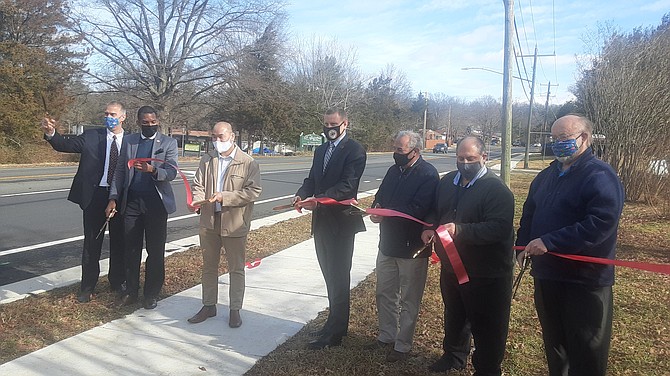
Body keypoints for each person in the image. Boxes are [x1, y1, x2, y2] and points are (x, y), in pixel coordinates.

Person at [515, 114, 624, 376]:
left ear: (583, 137)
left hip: (585, 280)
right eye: (553, 139)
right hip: (548, 275)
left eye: (563, 138)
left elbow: (601, 223)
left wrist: (551, 241)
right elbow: (529, 214)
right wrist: (521, 245)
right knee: (555, 343)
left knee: (586, 348)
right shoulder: (546, 175)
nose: (557, 144)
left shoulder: (600, 175)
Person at [421, 136, 515, 375]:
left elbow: (499, 228)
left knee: (487, 323)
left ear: (484, 157)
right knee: (455, 313)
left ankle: (487, 367)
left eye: (471, 159)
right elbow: (436, 209)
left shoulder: (496, 190)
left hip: (487, 270)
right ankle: (453, 355)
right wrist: (431, 227)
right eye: (460, 158)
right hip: (452, 265)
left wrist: (460, 230)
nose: (465, 163)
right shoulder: (446, 183)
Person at [294, 108, 367, 349]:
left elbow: (347, 185)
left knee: (339, 276)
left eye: (333, 123)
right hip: (321, 222)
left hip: (342, 223)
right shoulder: (321, 150)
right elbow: (312, 179)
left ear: (345, 124)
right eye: (325, 124)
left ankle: (335, 333)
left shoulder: (355, 150)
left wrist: (320, 199)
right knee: (328, 274)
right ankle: (334, 323)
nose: (329, 128)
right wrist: (302, 193)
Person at [41, 101, 127, 303]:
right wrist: (51, 133)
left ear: (123, 117)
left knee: (120, 242)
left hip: (121, 197)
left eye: (112, 113)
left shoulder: (131, 141)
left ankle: (118, 281)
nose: (108, 116)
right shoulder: (91, 136)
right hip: (95, 196)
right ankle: (87, 287)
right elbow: (64, 144)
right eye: (106, 113)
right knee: (91, 243)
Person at [368, 130, 439, 362]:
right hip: (387, 243)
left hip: (412, 247)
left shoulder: (428, 174)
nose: (395, 153)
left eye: (400, 150)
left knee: (410, 299)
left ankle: (403, 344)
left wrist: (389, 211)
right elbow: (380, 196)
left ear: (415, 152)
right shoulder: (393, 171)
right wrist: (376, 209)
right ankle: (387, 335)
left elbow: (419, 208)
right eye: (395, 148)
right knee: (384, 293)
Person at [186, 121, 261, 328]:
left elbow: (253, 191)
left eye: (221, 136)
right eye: (214, 137)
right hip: (209, 221)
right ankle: (209, 305)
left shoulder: (247, 163)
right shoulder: (208, 159)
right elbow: (198, 184)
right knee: (209, 266)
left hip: (235, 222)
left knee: (236, 268)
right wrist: (198, 200)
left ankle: (235, 309)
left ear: (232, 137)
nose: (217, 141)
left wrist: (224, 197)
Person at [106, 105, 178, 310]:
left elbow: (172, 171)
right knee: (131, 249)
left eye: (153, 122)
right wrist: (113, 197)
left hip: (157, 204)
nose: (149, 125)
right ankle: (131, 291)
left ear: (157, 121)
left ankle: (151, 293)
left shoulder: (168, 143)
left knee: (155, 250)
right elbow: (120, 172)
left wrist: (153, 170)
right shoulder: (129, 141)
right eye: (145, 122)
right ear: (138, 122)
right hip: (132, 204)